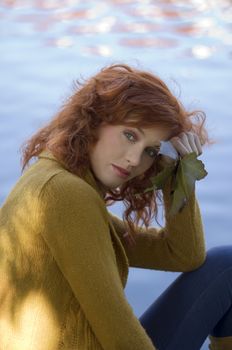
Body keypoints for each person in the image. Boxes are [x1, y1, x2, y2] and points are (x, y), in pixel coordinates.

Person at [0, 63, 231, 350]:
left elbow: (184, 254)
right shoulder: (65, 195)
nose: (135, 160)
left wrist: (179, 173)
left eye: (151, 151)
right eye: (130, 135)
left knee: (225, 266)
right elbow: (122, 341)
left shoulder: (54, 180)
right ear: (95, 120)